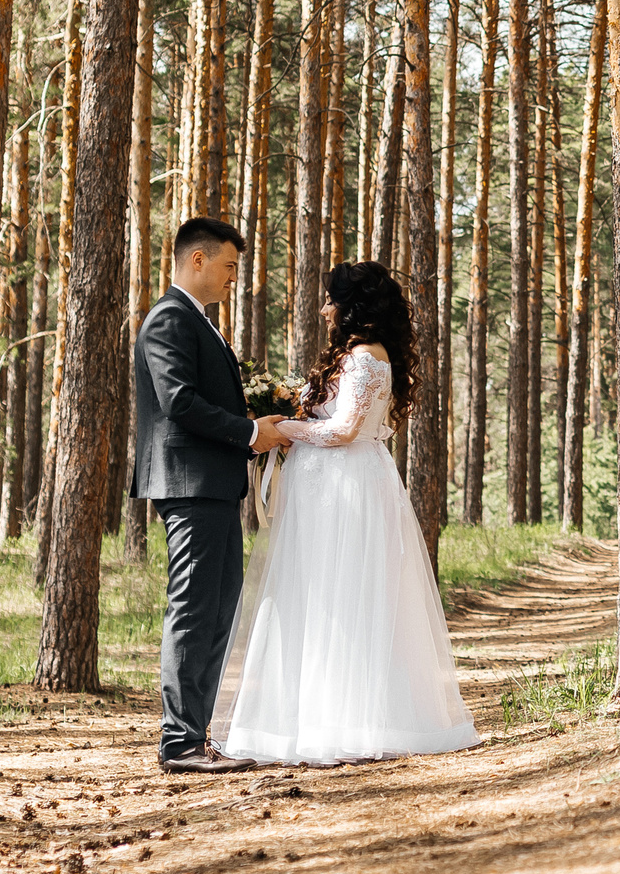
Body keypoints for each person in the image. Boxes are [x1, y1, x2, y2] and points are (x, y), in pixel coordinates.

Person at [210, 261, 478, 766]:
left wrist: (283, 429)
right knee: (318, 597)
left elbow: (344, 430)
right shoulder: (354, 355)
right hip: (326, 487)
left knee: (344, 594)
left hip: (346, 487)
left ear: (353, 306)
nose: (323, 308)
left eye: (330, 300)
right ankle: (316, 717)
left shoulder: (366, 358)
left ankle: (350, 720)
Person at [135, 215, 286, 775]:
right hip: (189, 484)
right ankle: (179, 743)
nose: (233, 277)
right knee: (194, 610)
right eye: (228, 265)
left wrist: (257, 422)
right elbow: (177, 401)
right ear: (196, 259)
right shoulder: (169, 319)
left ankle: (195, 736)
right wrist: (249, 433)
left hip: (214, 485)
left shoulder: (198, 320)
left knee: (219, 610)